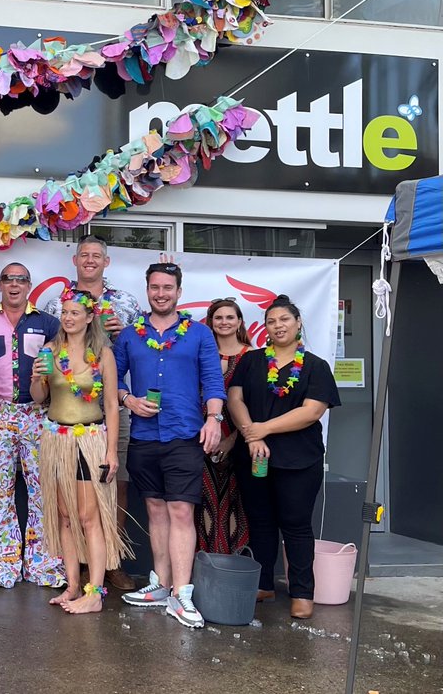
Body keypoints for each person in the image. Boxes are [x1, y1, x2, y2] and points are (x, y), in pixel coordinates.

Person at [114, 262, 224, 629]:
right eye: (155, 287)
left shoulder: (199, 334)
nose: (161, 293)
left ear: (179, 292)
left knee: (180, 511)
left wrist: (214, 419)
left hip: (184, 434)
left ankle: (182, 594)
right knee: (155, 510)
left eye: (168, 287)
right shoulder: (130, 335)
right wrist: (128, 400)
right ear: (148, 290)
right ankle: (159, 586)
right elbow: (111, 379)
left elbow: (212, 380)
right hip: (144, 437)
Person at [229, 295, 339, 620]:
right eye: (271, 322)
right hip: (254, 455)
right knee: (260, 523)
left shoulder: (315, 366)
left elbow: (311, 412)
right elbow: (235, 398)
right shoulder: (251, 361)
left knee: (295, 525)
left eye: (284, 320)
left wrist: (263, 429)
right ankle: (263, 584)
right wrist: (251, 434)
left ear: (298, 322)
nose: (278, 326)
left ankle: (303, 591)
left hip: (299, 460)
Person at [43, 234, 142, 591]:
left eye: (96, 255)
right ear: (75, 261)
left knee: (114, 487)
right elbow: (48, 367)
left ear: (106, 261)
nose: (89, 260)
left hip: (112, 404)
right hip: (65, 413)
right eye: (83, 255)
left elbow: (143, 347)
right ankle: (80, 573)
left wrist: (123, 332)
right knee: (69, 508)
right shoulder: (58, 304)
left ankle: (110, 563)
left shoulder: (127, 304)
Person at [31, 288, 130, 615]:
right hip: (55, 439)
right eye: (66, 312)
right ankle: (72, 586)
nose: (69, 317)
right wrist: (37, 377)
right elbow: (37, 397)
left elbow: (113, 407)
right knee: (64, 517)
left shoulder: (102, 354)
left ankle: (95, 592)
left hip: (89, 440)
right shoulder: (50, 350)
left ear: (90, 317)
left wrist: (111, 452)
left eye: (76, 312)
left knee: (89, 518)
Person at [0, 263, 63, 589]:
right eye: (8, 279)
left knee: (43, 493)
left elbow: (61, 373)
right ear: (0, 284)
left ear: (29, 285)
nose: (14, 285)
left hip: (38, 415)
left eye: (21, 280)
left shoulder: (49, 324)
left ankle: (44, 568)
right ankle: (2, 567)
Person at [197, 298, 252, 556]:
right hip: (202, 439)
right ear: (211, 322)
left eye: (230, 317)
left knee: (236, 503)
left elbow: (256, 405)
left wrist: (232, 440)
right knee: (204, 503)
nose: (224, 322)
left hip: (239, 440)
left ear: (239, 321)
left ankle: (233, 569)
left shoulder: (252, 357)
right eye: (218, 317)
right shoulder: (200, 352)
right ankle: (205, 568)